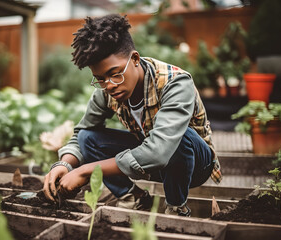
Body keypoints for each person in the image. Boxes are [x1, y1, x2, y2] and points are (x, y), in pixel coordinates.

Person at [43, 14, 222, 216]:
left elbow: (159, 152)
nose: (109, 85)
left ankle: (176, 207)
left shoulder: (175, 83)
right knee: (88, 137)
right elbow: (82, 132)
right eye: (100, 79)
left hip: (195, 165)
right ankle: (134, 198)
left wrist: (86, 170)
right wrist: (65, 164)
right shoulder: (106, 92)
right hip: (149, 161)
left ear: (135, 59)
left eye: (115, 73)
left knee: (181, 136)